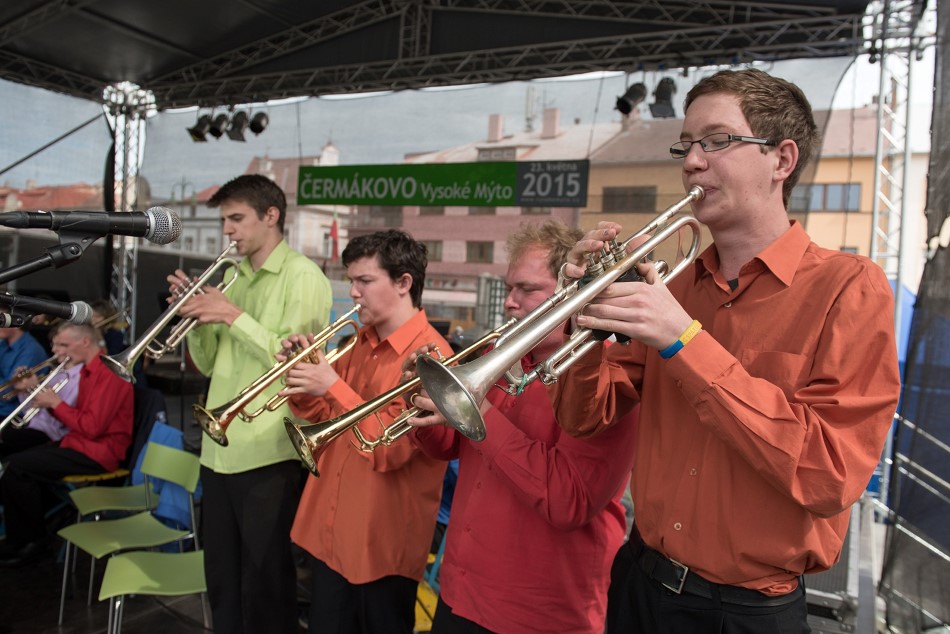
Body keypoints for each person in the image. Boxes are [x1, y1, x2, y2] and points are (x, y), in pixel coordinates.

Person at [550, 68, 901, 633]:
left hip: (746, 612)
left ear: (781, 159)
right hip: (640, 581)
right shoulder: (673, 286)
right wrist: (584, 324)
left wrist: (684, 341)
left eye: (716, 141)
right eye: (686, 145)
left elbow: (830, 474)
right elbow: (583, 419)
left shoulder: (849, 287)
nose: (692, 161)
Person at [405, 221, 640, 634]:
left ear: (572, 288)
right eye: (508, 288)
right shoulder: (497, 354)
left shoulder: (607, 374)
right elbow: (449, 447)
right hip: (459, 593)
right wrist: (423, 400)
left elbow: (569, 501)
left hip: (535, 612)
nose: (509, 303)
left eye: (526, 289)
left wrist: (480, 415)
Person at [168, 174, 332, 633]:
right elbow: (207, 363)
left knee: (265, 585)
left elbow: (295, 363)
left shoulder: (303, 276)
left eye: (237, 218)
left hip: (267, 452)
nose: (228, 230)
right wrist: (196, 319)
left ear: (271, 215)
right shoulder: (232, 277)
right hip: (218, 450)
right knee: (222, 580)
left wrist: (231, 315)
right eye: (224, 220)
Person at [279, 229, 449, 634]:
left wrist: (331, 385)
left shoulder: (433, 356)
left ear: (403, 283)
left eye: (365, 281)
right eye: (351, 280)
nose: (353, 292)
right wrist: (301, 378)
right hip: (331, 533)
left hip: (380, 549)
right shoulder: (358, 342)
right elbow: (320, 416)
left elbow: (387, 450)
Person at [0, 321, 133, 566]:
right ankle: (33, 531)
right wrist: (51, 404)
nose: (55, 350)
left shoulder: (109, 373)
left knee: (17, 468)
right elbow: (78, 420)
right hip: (77, 442)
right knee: (16, 464)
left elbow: (92, 428)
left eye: (63, 344)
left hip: (98, 453)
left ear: (85, 342)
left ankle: (31, 541)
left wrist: (56, 404)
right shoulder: (87, 371)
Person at [1, 323, 76, 458]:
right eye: (53, 344)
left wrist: (36, 388)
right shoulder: (58, 372)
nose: (53, 350)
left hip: (51, 433)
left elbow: (60, 420)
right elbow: (29, 410)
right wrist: (25, 389)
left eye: (61, 345)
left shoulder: (75, 377)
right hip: (33, 425)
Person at [1, 321, 48, 422]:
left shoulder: (31, 350)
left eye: (1, 321)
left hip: (12, 414)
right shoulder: (3, 344)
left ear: (15, 323)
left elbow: (8, 391)